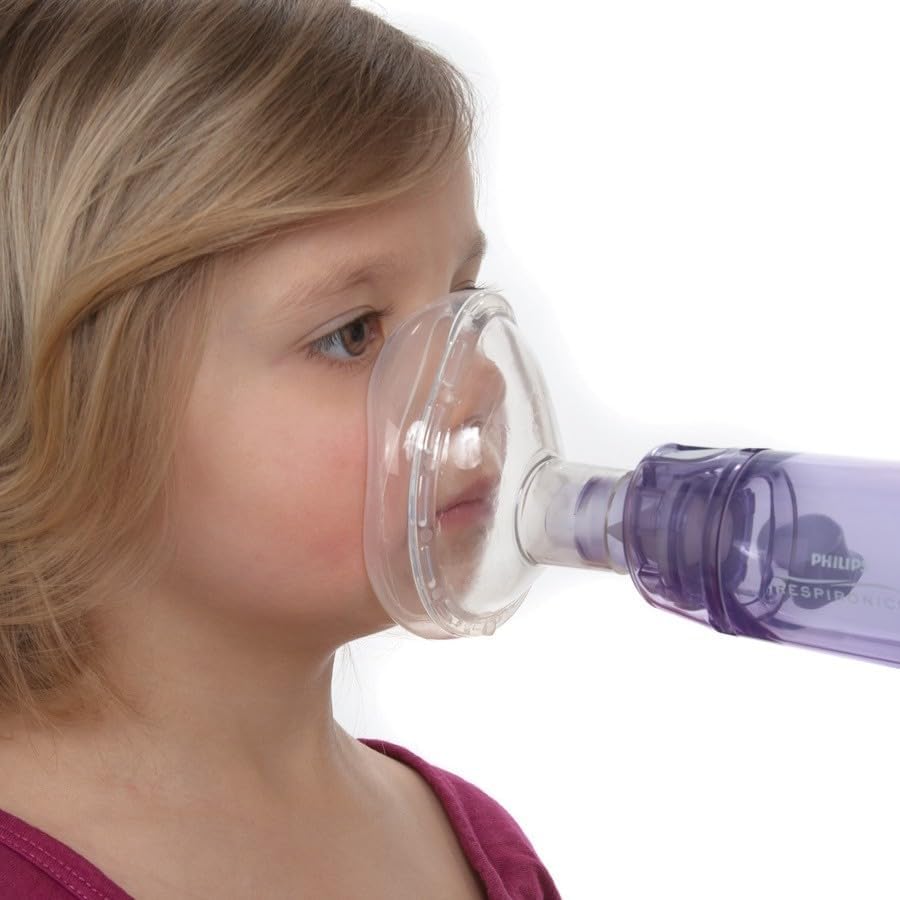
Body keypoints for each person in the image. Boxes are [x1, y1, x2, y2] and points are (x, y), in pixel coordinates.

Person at [0, 1, 563, 897]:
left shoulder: (477, 850)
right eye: (353, 334)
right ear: (74, 403)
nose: (476, 384)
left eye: (460, 297)